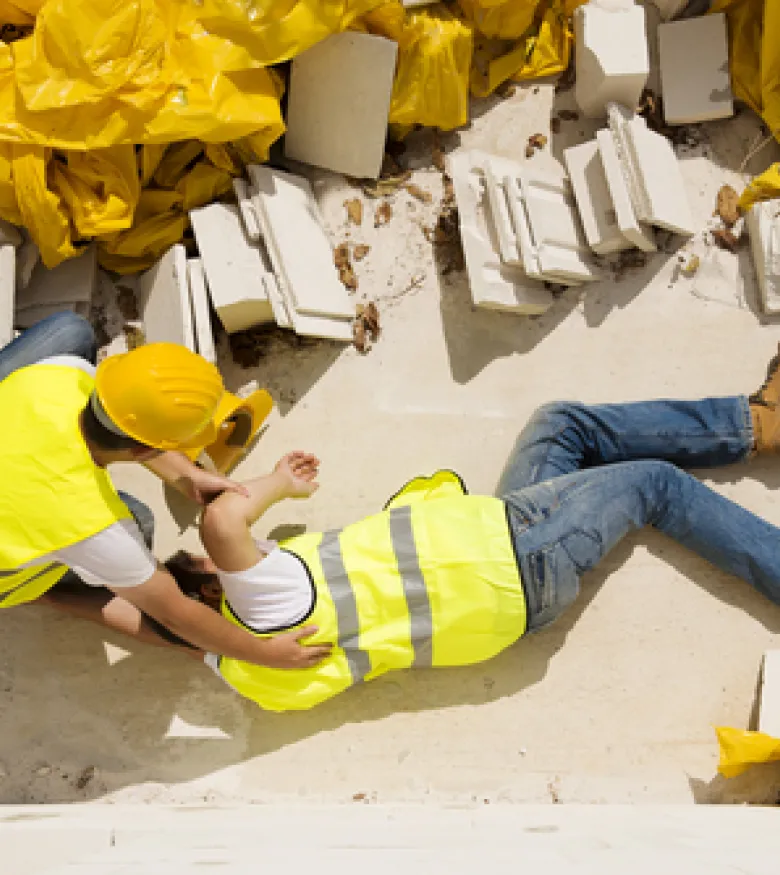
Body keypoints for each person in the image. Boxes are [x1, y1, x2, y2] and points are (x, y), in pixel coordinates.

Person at [156, 347, 780, 711]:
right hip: (515, 553)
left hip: (501, 593)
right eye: (211, 563)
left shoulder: (240, 671)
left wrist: (119, 594)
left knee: (559, 425)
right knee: (653, 482)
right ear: (213, 586)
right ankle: (762, 438)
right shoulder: (269, 603)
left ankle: (754, 420)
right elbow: (222, 517)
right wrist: (276, 484)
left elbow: (148, 619)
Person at [0, 311, 330, 670]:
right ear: (144, 451)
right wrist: (266, 654)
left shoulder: (58, 375)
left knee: (69, 331)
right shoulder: (93, 527)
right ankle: (39, 591)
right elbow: (176, 616)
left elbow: (122, 421)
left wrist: (186, 475)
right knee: (139, 523)